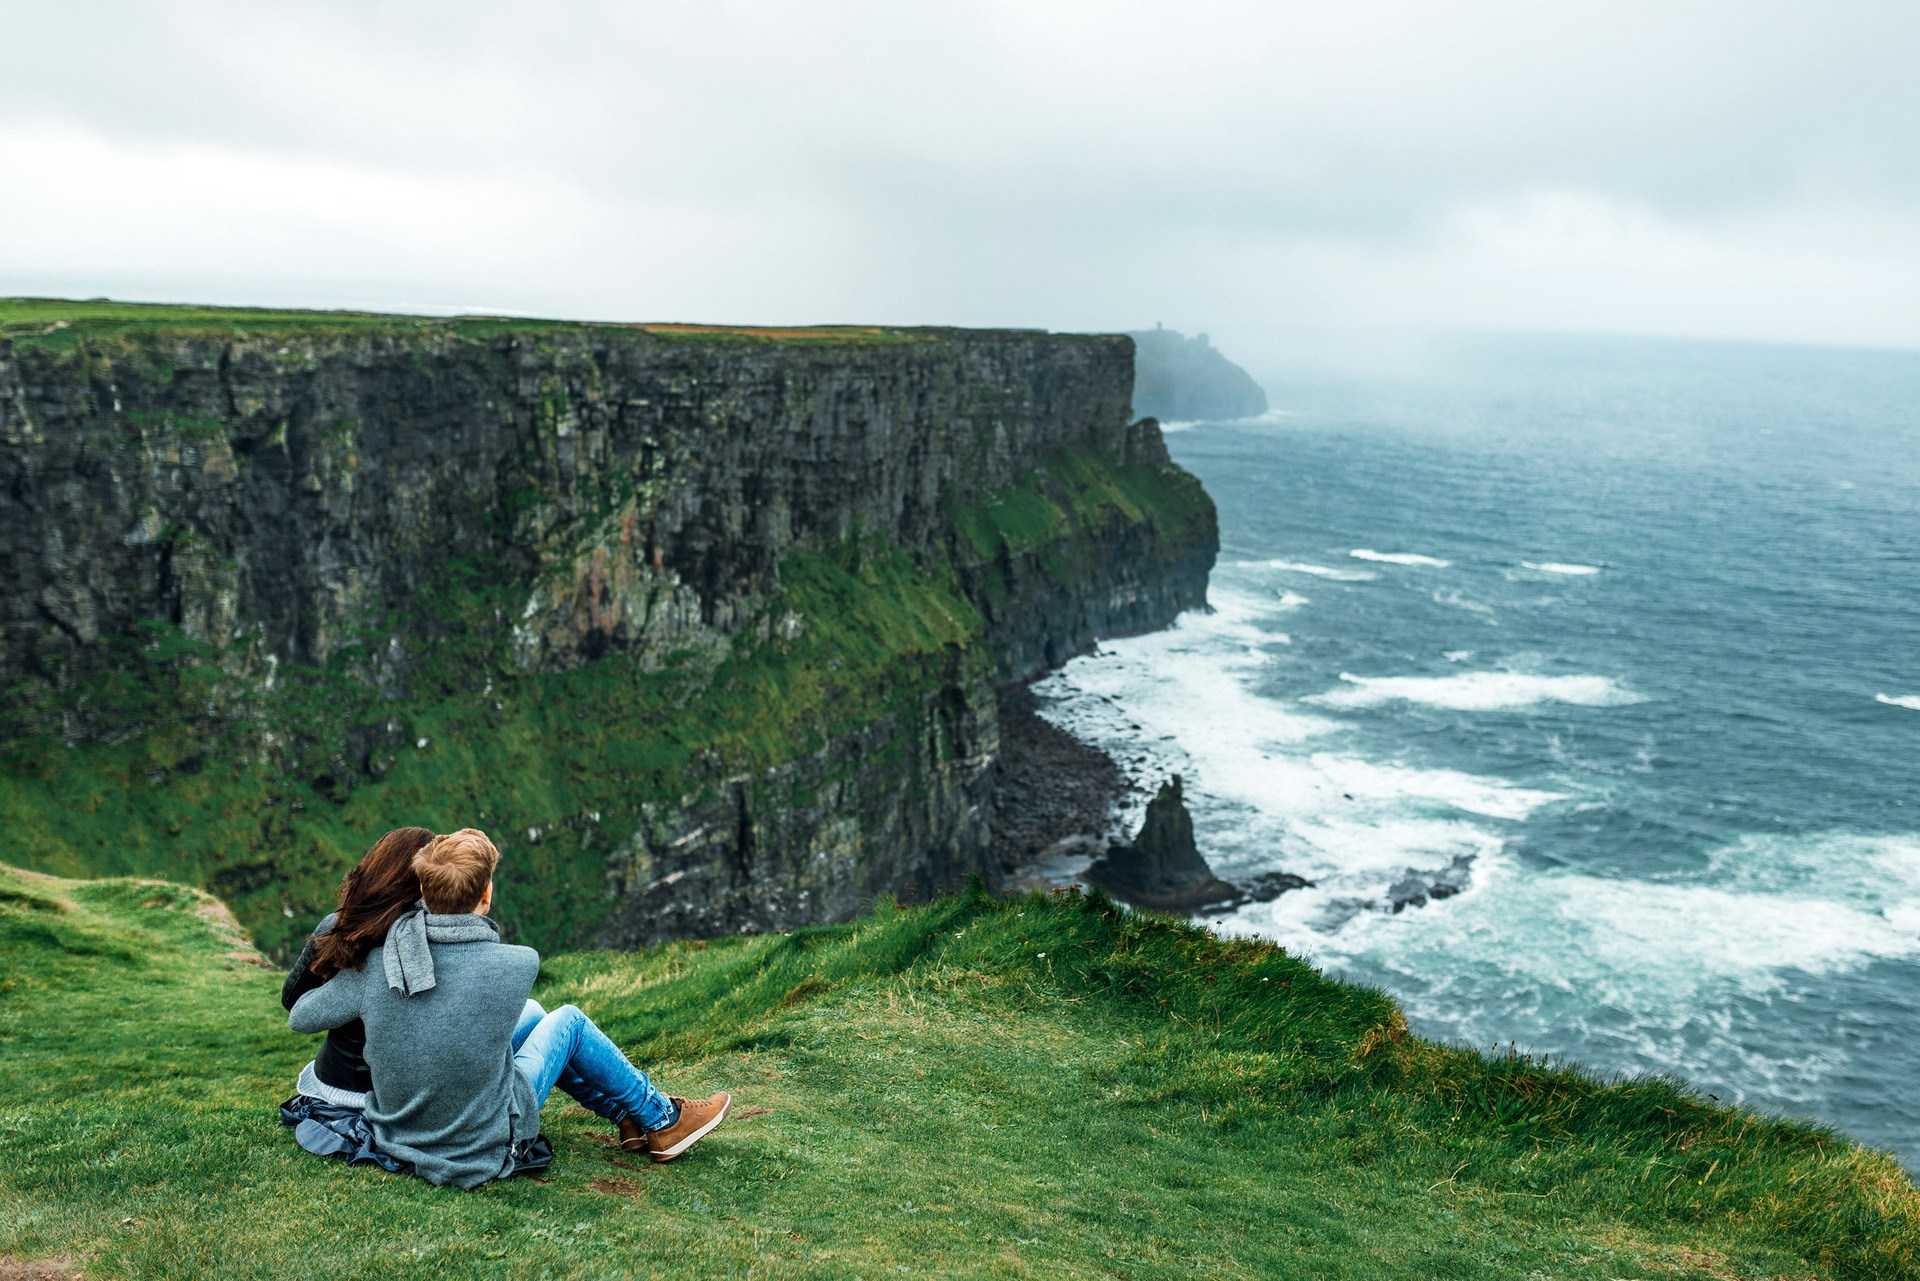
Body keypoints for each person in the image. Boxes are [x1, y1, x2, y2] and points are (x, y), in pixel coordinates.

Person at [288, 828, 730, 1187]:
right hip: (486, 1133)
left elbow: (301, 1014)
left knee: (536, 1014)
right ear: (487, 893)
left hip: (399, 1125)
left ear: (423, 889)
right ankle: (662, 1118)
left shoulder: (387, 957)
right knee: (568, 1021)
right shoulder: (517, 963)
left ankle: (628, 1118)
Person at [281, 825, 438, 1110]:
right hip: (405, 1088)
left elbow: (293, 1000)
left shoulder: (339, 926)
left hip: (339, 1077)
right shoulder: (435, 932)